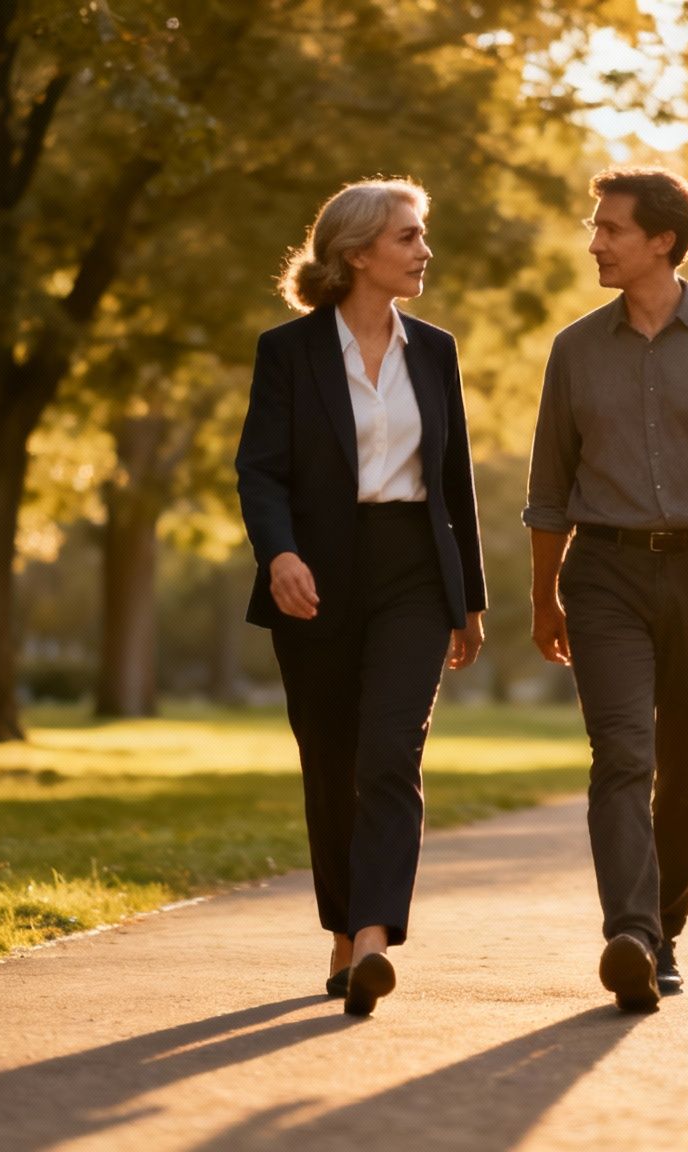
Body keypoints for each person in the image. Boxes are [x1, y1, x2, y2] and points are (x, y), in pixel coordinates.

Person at [524, 167, 688, 1012]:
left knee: (683, 772)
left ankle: (662, 937)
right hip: (600, 571)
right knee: (621, 757)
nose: (595, 241)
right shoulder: (573, 350)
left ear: (662, 241)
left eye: (610, 229)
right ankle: (630, 935)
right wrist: (544, 597)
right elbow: (547, 490)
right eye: (595, 227)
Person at [235, 179, 486, 1017]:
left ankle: (374, 937)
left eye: (422, 235)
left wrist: (469, 598)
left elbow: (454, 481)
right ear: (357, 254)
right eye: (408, 237)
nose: (424, 251)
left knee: (390, 751)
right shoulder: (289, 353)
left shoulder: (436, 351)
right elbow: (260, 470)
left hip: (413, 566)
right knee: (331, 759)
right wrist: (279, 555)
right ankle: (342, 933)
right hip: (317, 571)